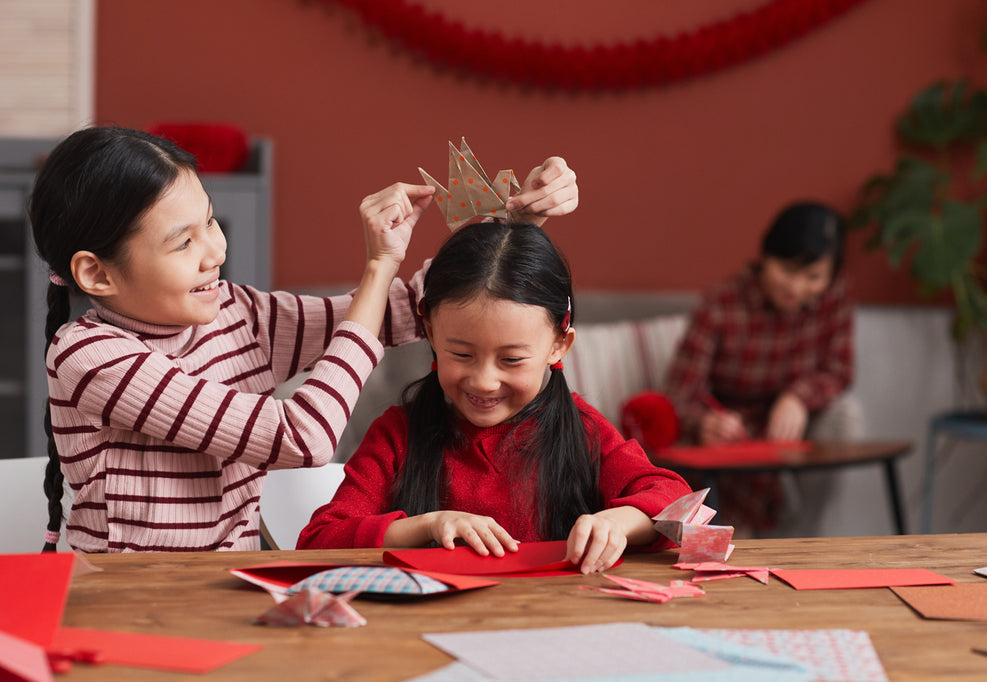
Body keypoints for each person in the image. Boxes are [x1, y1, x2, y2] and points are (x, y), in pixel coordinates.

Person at [32, 126, 579, 552]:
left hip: (225, 592)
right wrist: (379, 264)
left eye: (211, 223)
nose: (214, 252)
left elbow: (400, 314)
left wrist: (512, 223)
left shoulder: (236, 312)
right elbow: (304, 438)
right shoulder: (91, 357)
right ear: (97, 275)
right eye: (183, 243)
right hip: (126, 601)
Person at [297, 222, 692, 574]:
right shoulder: (398, 434)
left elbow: (677, 504)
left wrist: (617, 522)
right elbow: (319, 540)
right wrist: (426, 525)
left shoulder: (582, 429)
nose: (484, 381)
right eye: (462, 355)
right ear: (430, 332)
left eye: (511, 359)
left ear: (559, 345)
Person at [661, 201, 853, 532]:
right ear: (765, 257)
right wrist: (705, 424)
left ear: (832, 275)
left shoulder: (833, 300)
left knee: (847, 415)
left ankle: (809, 536)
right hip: (734, 437)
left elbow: (839, 370)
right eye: (787, 270)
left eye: (813, 277)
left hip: (793, 429)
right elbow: (679, 393)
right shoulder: (720, 304)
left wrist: (797, 397)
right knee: (736, 539)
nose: (797, 288)